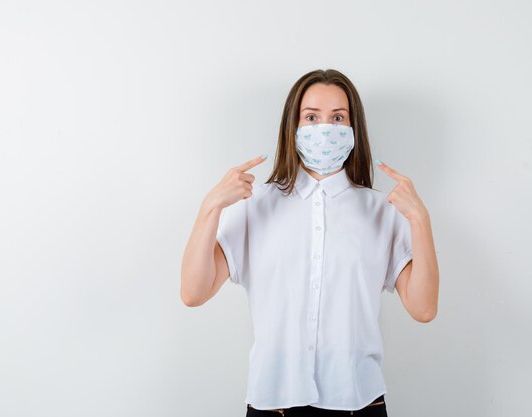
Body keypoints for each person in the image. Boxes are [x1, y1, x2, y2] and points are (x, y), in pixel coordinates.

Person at [181, 69, 440, 417]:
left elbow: (423, 309)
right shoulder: (255, 205)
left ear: (352, 129)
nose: (325, 128)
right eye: (312, 117)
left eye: (337, 117)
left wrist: (420, 220)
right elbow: (193, 293)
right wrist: (210, 206)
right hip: (274, 404)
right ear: (294, 126)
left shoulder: (383, 210)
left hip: (358, 403)